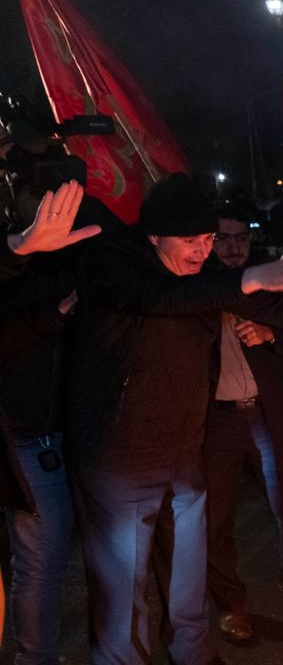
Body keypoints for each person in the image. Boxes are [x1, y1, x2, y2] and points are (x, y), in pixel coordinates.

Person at [63, 175, 283, 665]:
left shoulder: (202, 276)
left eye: (208, 241)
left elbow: (270, 303)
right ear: (154, 235)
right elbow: (159, 298)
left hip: (183, 449)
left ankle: (191, 651)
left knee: (187, 568)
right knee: (122, 585)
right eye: (190, 242)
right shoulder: (114, 265)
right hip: (122, 453)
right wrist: (249, 278)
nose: (202, 253)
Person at [202, 204, 283, 644]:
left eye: (241, 238)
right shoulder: (199, 285)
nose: (233, 247)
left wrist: (273, 334)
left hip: (269, 411)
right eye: (223, 238)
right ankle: (231, 604)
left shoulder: (267, 282)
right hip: (217, 419)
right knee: (216, 517)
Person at [0, 180, 99, 660]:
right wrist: (52, 315)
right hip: (23, 435)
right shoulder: (15, 268)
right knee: (40, 561)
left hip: (57, 432)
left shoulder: (72, 261)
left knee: (45, 558)